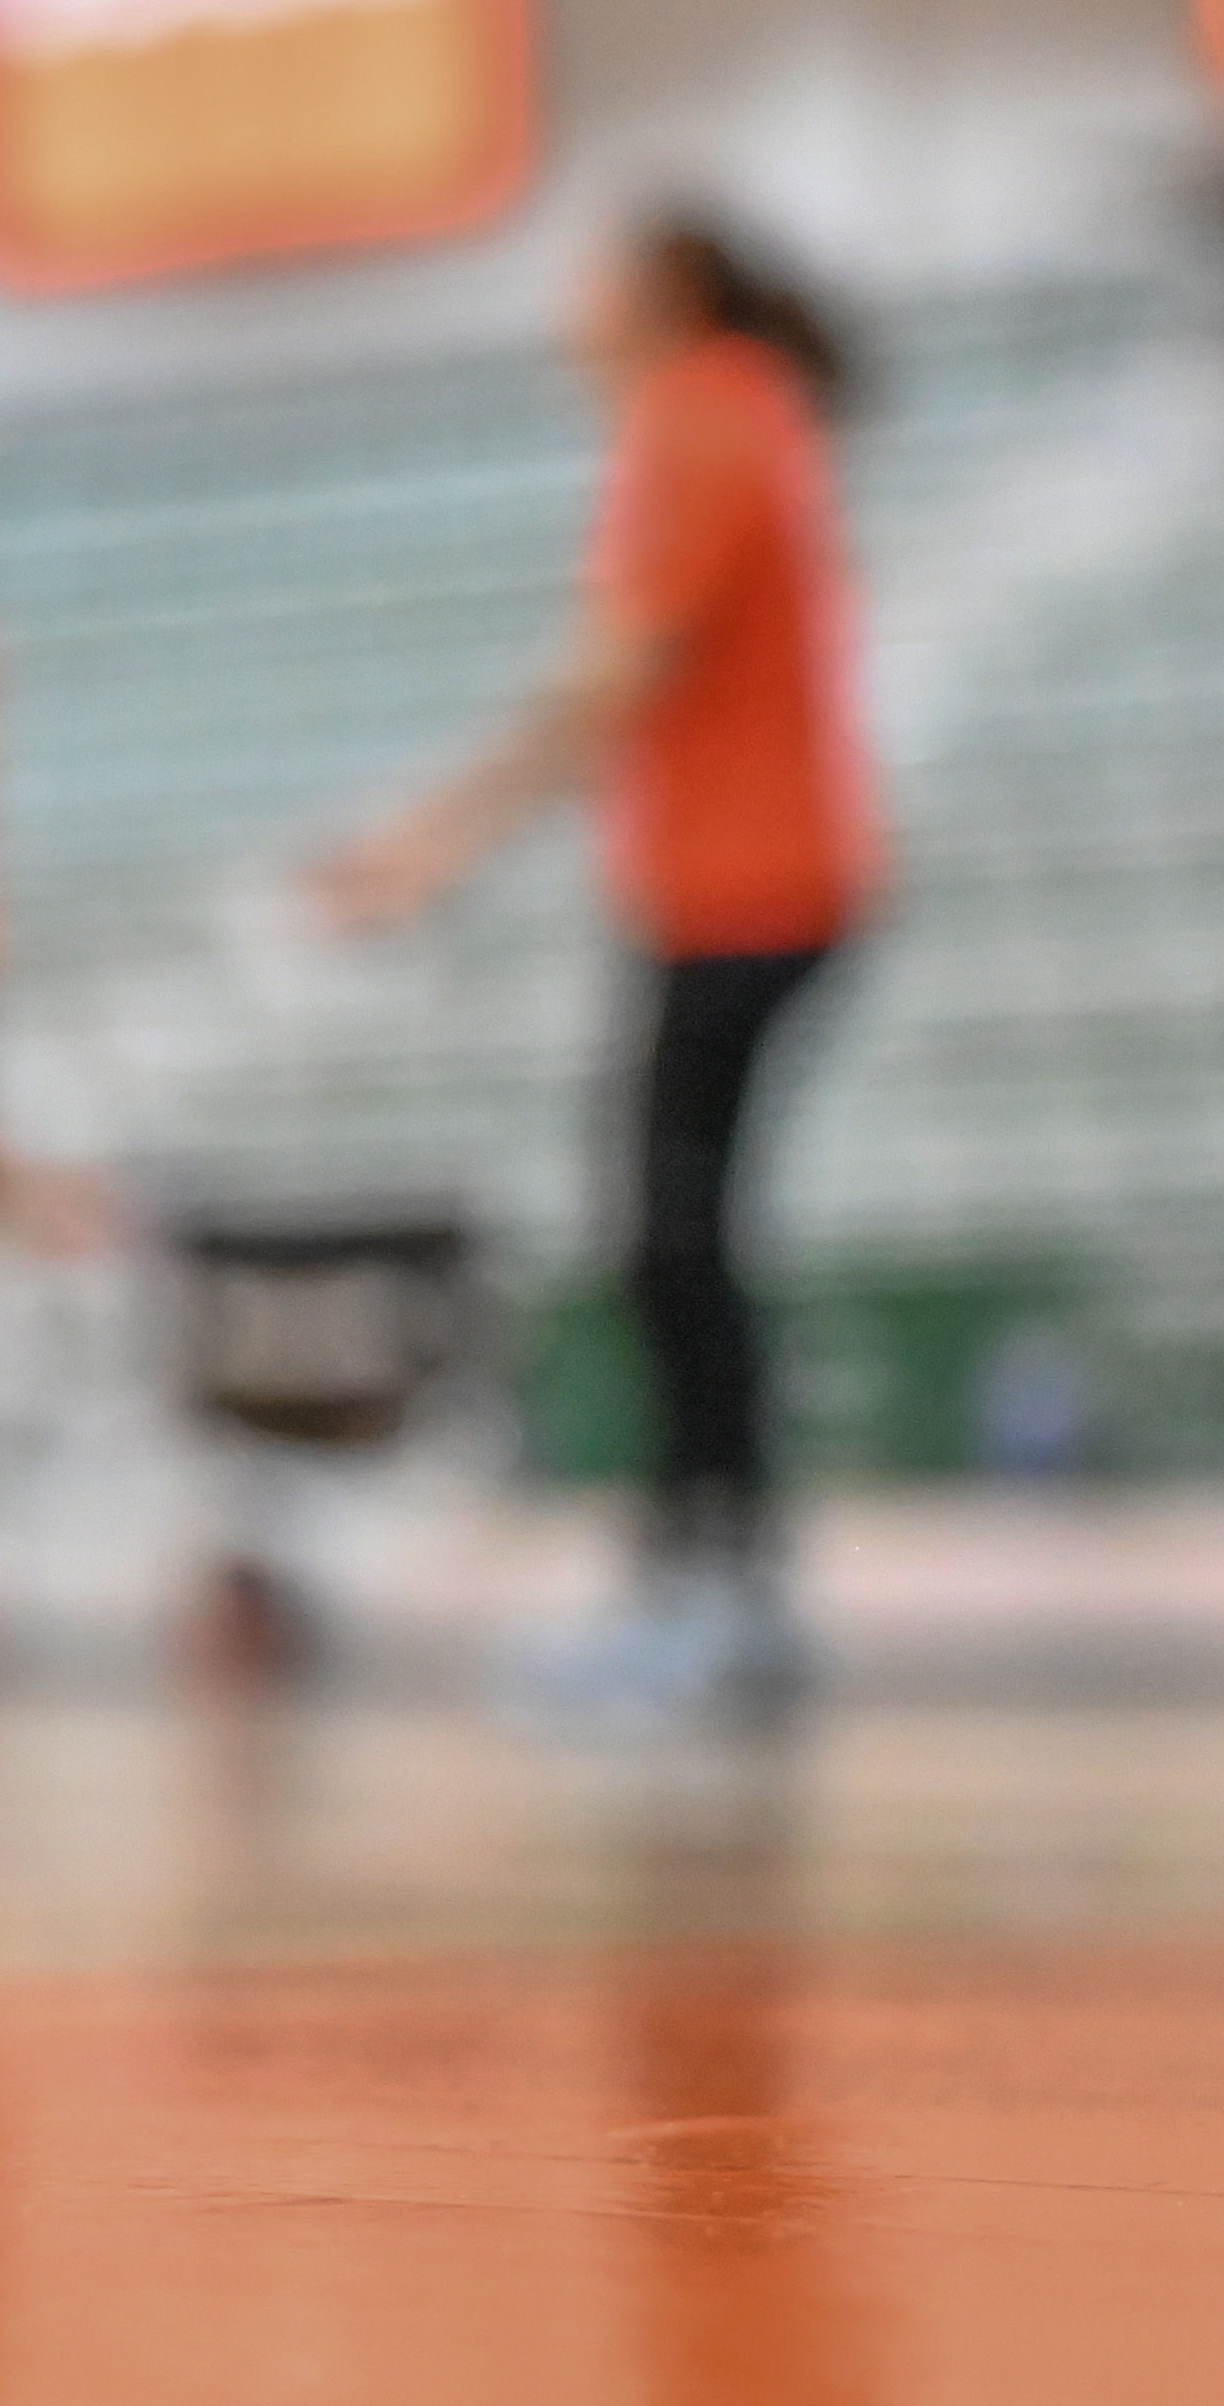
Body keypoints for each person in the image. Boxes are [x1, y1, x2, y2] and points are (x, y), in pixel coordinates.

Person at [318, 201, 874, 1719]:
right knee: (678, 1241)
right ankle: (714, 1587)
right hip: (760, 887)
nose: (562, 312)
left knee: (672, 1245)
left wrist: (431, 841)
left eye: (586, 277)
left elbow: (605, 683)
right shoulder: (747, 415)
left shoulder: (694, 422)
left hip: (747, 895)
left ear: (663, 293)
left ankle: (709, 1595)